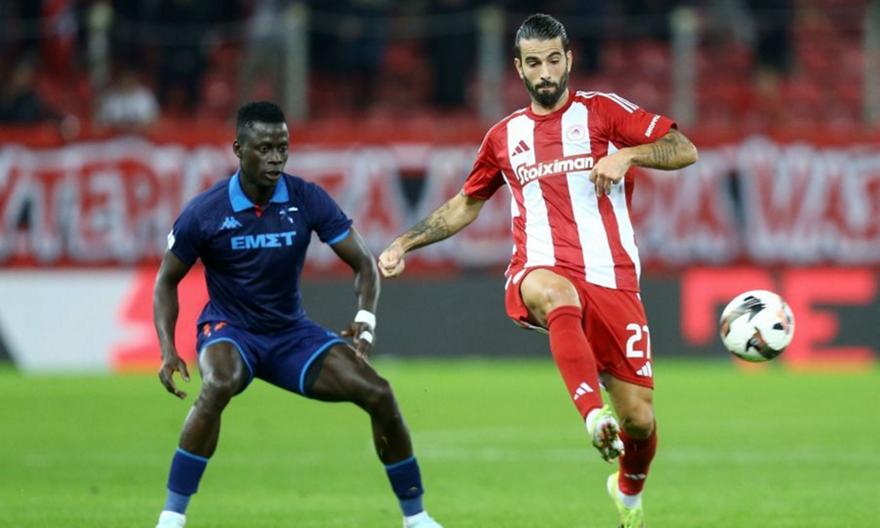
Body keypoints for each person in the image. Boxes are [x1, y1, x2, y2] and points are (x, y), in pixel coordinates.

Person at [379, 14, 697, 528]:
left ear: (569, 59)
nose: (545, 72)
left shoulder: (603, 112)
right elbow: (466, 203)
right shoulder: (504, 136)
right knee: (554, 292)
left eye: (553, 60)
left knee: (639, 420)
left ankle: (628, 489)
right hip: (539, 267)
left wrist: (629, 157)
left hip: (613, 277)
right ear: (518, 68)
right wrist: (405, 242)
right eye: (533, 63)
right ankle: (592, 416)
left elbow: (684, 149)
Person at [153, 101, 442, 528]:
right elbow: (166, 281)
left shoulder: (306, 198)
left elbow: (363, 263)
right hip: (231, 331)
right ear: (238, 149)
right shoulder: (206, 211)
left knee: (379, 392)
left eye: (282, 148)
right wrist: (167, 350)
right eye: (264, 148)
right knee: (219, 383)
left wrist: (365, 320)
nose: (275, 158)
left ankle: (416, 518)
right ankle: (171, 517)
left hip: (291, 335)